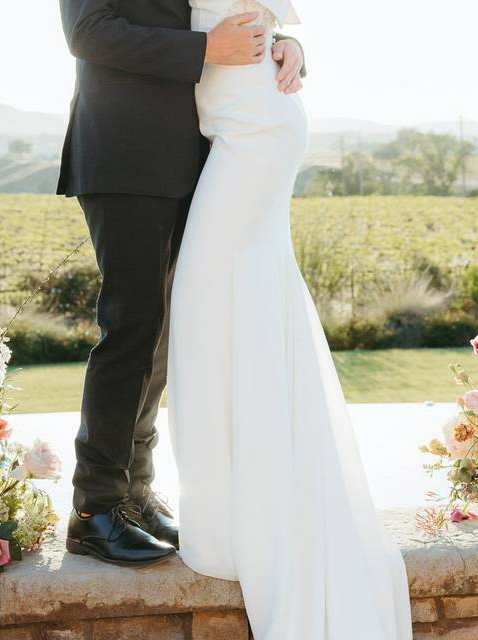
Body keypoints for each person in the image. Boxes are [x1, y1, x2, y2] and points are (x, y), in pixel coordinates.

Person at [166, 1, 414, 637]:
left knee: (214, 314)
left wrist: (285, 42)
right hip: (247, 124)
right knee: (232, 312)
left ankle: (248, 515)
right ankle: (240, 506)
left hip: (253, 132)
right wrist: (284, 41)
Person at [57, 0, 305, 567]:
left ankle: (134, 493)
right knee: (131, 325)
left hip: (190, 155)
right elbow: (88, 32)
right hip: (125, 151)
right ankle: (93, 509)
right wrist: (204, 51)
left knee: (165, 329)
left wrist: (284, 46)